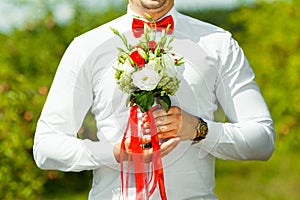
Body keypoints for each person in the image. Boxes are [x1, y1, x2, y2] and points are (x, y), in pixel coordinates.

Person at [33, 0, 275, 199]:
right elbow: (45, 147)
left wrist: (200, 130)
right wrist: (115, 153)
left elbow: (263, 140)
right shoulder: (86, 47)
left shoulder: (218, 43)